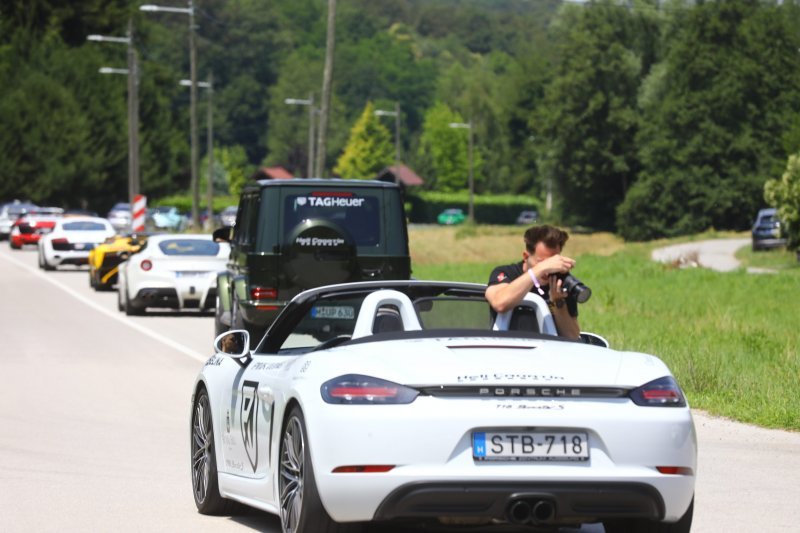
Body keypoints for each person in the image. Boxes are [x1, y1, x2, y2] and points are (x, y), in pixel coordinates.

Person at [485, 225, 581, 339]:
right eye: (541, 262)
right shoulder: (506, 273)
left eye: (552, 262)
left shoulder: (560, 283)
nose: (548, 270)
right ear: (526, 256)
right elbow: (499, 303)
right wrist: (540, 269)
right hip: (507, 348)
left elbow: (572, 336)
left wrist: (558, 302)